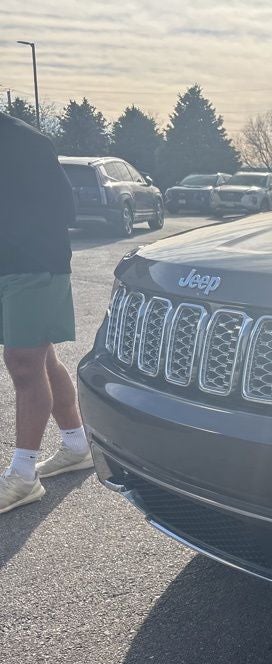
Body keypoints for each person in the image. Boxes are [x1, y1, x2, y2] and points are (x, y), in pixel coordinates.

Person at [0, 110, 93, 515]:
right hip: (9, 268)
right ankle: (77, 444)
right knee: (41, 357)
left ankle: (23, 476)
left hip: (34, 265)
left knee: (23, 362)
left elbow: (65, 209)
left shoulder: (24, 140)